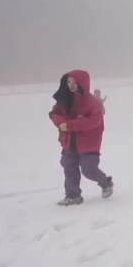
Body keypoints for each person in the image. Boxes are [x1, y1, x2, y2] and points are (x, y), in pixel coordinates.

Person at [49, 69, 114, 206]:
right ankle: (73, 196)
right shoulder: (64, 99)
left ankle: (106, 183)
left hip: (88, 144)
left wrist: (70, 125)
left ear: (83, 83)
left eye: (75, 82)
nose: (71, 85)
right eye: (68, 82)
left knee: (88, 169)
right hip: (69, 142)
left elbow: (93, 122)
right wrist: (60, 123)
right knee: (68, 166)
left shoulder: (93, 103)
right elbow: (54, 114)